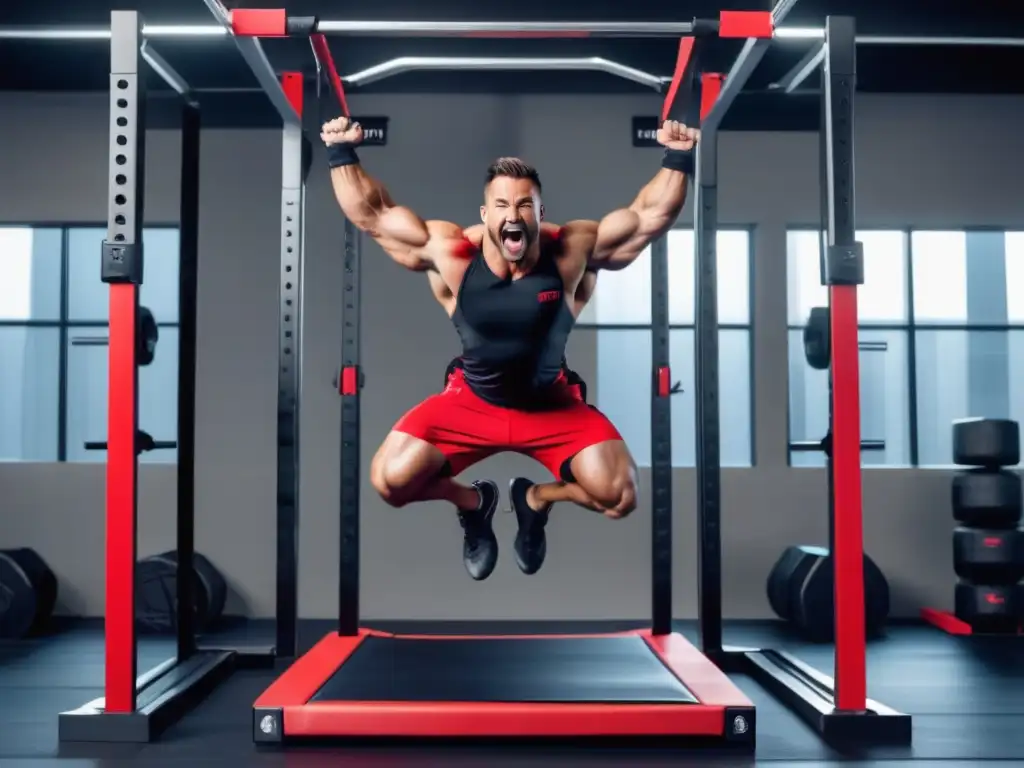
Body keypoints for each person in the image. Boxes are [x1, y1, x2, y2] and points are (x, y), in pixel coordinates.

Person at [321, 115, 699, 581]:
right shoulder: (453, 254)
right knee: (389, 482)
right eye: (502, 205)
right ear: (486, 215)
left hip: (551, 405)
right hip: (471, 403)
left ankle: (535, 499)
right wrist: (341, 151)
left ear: (540, 214)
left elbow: (647, 219)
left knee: (620, 496)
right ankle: (475, 502)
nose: (513, 215)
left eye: (524, 205)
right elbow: (374, 217)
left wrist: (677, 156)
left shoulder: (571, 252)